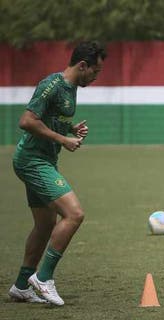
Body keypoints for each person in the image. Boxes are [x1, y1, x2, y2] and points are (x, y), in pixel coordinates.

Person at [8, 41, 106, 306]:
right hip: (32, 160)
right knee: (74, 214)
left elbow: (48, 117)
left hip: (44, 160)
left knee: (44, 225)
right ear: (82, 65)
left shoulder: (71, 87)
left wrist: (70, 128)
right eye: (95, 71)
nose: (96, 77)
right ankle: (43, 278)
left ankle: (21, 286)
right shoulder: (51, 84)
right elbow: (27, 121)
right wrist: (63, 140)